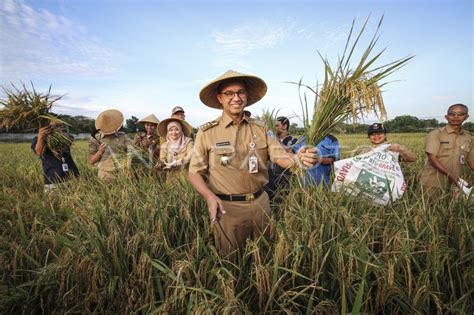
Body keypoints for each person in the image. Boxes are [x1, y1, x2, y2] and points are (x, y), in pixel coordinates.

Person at [187, 69, 318, 258]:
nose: (236, 98)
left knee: (264, 258)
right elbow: (194, 172)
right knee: (231, 262)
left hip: (261, 204)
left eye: (240, 92)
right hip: (227, 209)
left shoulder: (261, 127)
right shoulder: (207, 133)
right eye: (229, 93)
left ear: (246, 95)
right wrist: (208, 196)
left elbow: (279, 155)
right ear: (220, 98)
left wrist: (298, 159)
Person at [420, 104, 473, 193]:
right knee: (432, 207)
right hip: (433, 184)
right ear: (446, 117)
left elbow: (472, 162)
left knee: (454, 207)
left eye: (460, 114)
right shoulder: (436, 134)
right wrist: (452, 176)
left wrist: (457, 181)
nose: (456, 116)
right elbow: (432, 158)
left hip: (457, 186)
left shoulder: (470, 137)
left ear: (466, 117)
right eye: (452, 114)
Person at [32, 120, 79, 192]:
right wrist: (41, 137)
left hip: (73, 177)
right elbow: (39, 152)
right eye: (53, 126)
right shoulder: (38, 139)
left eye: (60, 127)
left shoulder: (64, 138)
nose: (57, 128)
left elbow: (70, 138)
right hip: (54, 180)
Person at [88, 109, 130, 181]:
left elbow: (131, 152)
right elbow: (91, 161)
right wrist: (100, 152)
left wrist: (128, 166)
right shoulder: (95, 139)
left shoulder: (123, 136)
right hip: (105, 175)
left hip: (123, 173)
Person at [264, 116, 298, 200]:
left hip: (287, 179)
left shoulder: (293, 140)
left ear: (284, 126)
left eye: (277, 126)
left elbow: (292, 156)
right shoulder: (270, 140)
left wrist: (276, 142)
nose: (275, 128)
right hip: (271, 178)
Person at [157, 117, 194, 182]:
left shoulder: (189, 142)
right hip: (171, 179)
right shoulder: (165, 145)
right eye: (170, 130)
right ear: (168, 131)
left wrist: (175, 163)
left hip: (186, 179)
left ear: (181, 130)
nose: (173, 132)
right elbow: (162, 160)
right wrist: (160, 165)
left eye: (177, 129)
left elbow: (189, 157)